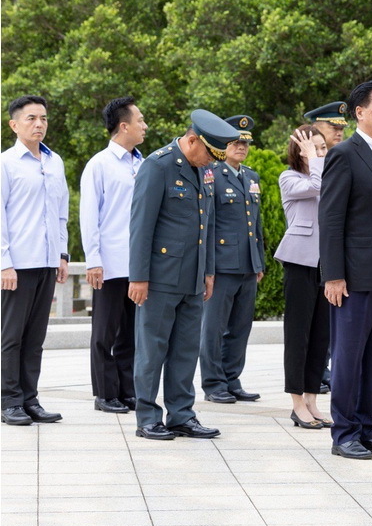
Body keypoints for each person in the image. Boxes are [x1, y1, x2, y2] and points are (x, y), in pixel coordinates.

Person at [128, 110, 242, 440]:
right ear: (192, 140)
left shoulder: (204, 169)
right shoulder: (158, 165)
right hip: (160, 277)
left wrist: (208, 271)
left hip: (193, 277)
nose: (211, 163)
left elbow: (207, 224)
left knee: (185, 349)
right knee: (152, 349)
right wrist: (138, 277)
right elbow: (141, 226)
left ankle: (181, 414)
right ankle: (148, 416)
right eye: (208, 154)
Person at [319, 79, 372, 461]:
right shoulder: (345, 154)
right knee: (349, 355)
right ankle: (344, 433)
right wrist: (333, 275)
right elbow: (331, 218)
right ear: (360, 113)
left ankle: (366, 426)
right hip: (354, 275)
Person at [1, 95, 68, 427]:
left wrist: (62, 255)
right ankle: (9, 400)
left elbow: (60, 214)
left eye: (43, 118)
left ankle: (30, 399)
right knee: (11, 337)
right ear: (14, 124)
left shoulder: (54, 162)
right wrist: (4, 263)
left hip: (46, 263)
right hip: (17, 265)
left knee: (35, 337)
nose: (39, 124)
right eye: (31, 118)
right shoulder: (5, 163)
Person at [80, 96, 146, 414]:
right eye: (140, 121)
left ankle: (127, 390)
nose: (145, 126)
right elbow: (89, 215)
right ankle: (105, 393)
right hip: (109, 263)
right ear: (124, 126)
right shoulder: (100, 164)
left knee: (131, 333)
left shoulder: (142, 164)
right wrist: (93, 259)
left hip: (138, 264)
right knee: (104, 332)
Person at [200, 116, 266, 404]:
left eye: (245, 142)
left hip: (248, 265)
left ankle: (232, 379)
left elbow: (256, 224)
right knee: (214, 328)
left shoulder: (250, 177)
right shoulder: (212, 174)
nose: (241, 147)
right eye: (236, 142)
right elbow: (207, 224)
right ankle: (213, 383)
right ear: (223, 145)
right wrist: (208, 267)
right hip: (222, 264)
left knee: (240, 327)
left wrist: (259, 261)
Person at [275, 125, 332, 429]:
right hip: (299, 261)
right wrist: (314, 159)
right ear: (298, 150)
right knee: (298, 334)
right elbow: (316, 186)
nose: (320, 153)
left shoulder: (325, 173)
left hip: (326, 264)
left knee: (321, 335)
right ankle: (297, 403)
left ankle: (312, 398)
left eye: (323, 148)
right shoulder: (289, 177)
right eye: (313, 148)